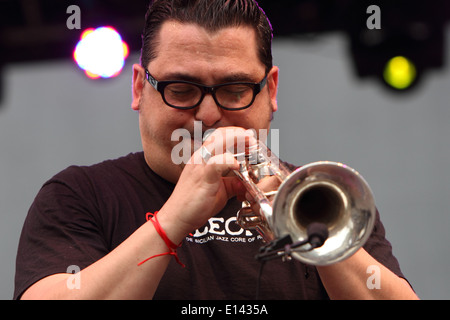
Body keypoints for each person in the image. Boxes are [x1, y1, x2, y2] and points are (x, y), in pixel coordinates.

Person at [14, 0, 418, 300]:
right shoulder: (78, 194)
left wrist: (317, 232)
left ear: (271, 91)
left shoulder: (323, 200)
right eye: (182, 90)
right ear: (139, 88)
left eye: (234, 89)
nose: (208, 114)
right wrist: (171, 220)